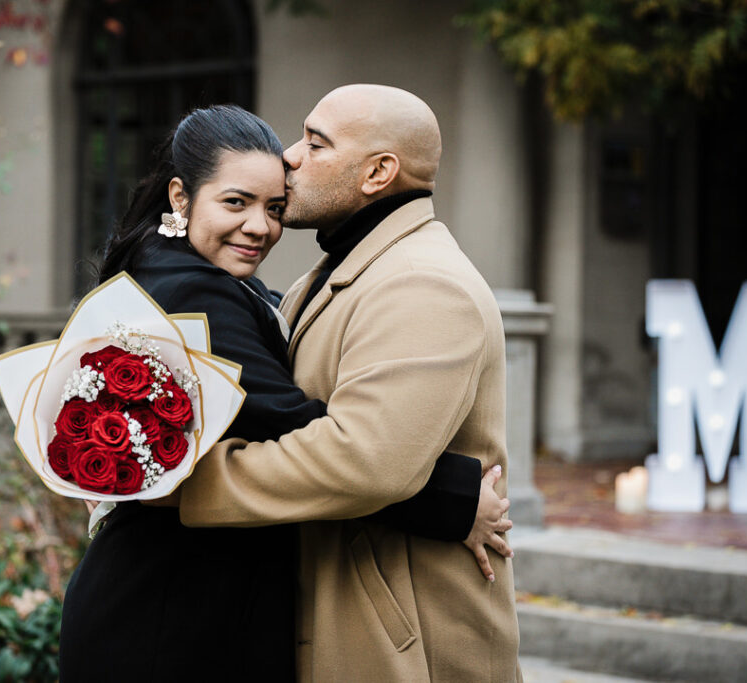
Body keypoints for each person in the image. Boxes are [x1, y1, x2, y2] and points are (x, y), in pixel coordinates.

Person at [58, 105, 509, 681]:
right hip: (169, 610)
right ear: (180, 197)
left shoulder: (202, 277)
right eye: (235, 202)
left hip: (194, 596)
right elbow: (293, 425)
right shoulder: (190, 288)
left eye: (273, 208)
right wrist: (454, 499)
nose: (260, 226)